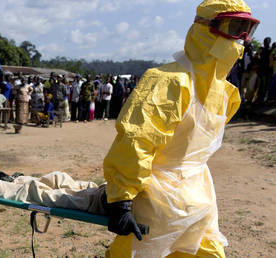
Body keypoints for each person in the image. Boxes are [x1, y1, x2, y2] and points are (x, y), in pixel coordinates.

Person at [103, 1, 259, 257]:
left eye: (248, 29)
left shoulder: (226, 93)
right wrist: (121, 200)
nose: (242, 39)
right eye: (235, 26)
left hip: (199, 197)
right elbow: (136, 140)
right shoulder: (167, 81)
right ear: (206, 28)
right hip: (154, 199)